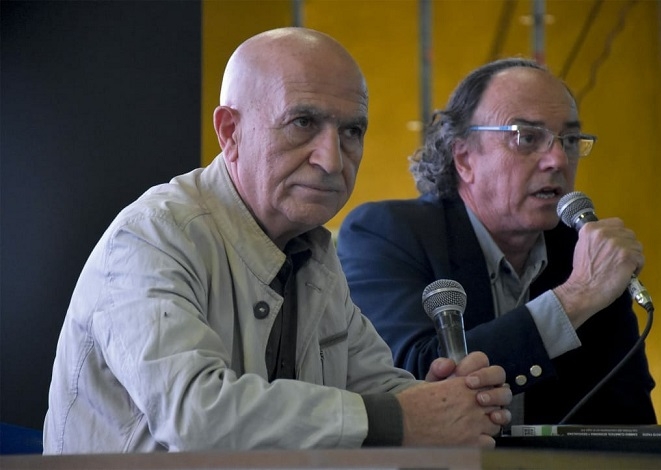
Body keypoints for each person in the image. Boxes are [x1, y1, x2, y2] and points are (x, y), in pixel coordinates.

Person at [42, 28, 512, 454]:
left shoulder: (311, 250)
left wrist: (446, 402)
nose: (331, 160)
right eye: (303, 122)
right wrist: (403, 418)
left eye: (352, 131)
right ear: (230, 133)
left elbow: (377, 389)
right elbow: (196, 416)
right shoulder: (152, 236)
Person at [337, 58, 657, 426]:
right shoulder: (386, 233)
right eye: (527, 137)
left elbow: (631, 419)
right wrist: (576, 297)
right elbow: (413, 377)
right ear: (464, 158)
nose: (557, 159)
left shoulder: (582, 250)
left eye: (569, 140)